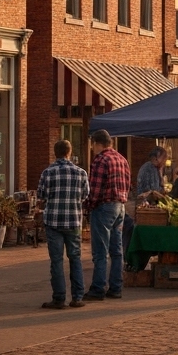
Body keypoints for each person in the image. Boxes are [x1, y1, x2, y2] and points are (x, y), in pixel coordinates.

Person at [38, 139, 90, 308]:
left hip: (53, 221)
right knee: (75, 258)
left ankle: (59, 298)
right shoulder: (81, 173)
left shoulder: (48, 172)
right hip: (74, 221)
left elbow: (41, 195)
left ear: (55, 153)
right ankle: (77, 297)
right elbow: (85, 195)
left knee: (56, 260)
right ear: (69, 152)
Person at [83, 130, 129, 301]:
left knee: (100, 251)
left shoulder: (101, 160)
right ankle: (116, 287)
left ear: (97, 143)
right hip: (120, 206)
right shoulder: (122, 159)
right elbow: (128, 184)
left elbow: (95, 190)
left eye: (92, 144)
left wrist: (88, 206)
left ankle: (98, 288)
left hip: (104, 207)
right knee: (117, 250)